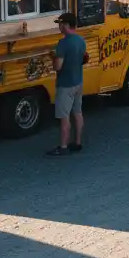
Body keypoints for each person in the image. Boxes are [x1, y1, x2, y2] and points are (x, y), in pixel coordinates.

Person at [46, 12, 88, 157]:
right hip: (78, 82)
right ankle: (77, 142)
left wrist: (53, 57)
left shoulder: (63, 43)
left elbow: (58, 66)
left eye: (60, 24)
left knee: (64, 117)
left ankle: (63, 146)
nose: (59, 26)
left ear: (65, 25)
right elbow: (84, 58)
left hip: (65, 84)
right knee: (77, 112)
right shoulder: (81, 40)